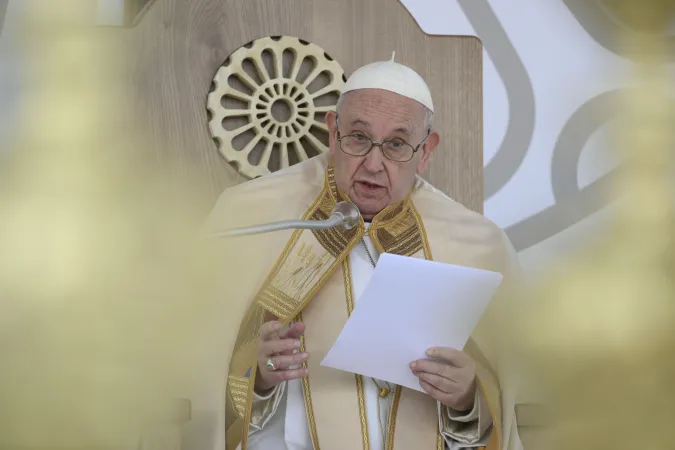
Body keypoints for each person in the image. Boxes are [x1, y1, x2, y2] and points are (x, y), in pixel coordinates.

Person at [204, 55, 523, 450]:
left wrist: (465, 399)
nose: (373, 164)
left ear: (426, 150)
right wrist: (259, 376)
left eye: (396, 144)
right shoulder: (252, 218)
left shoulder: (477, 245)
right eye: (358, 138)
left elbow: (505, 406)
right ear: (332, 131)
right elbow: (195, 379)